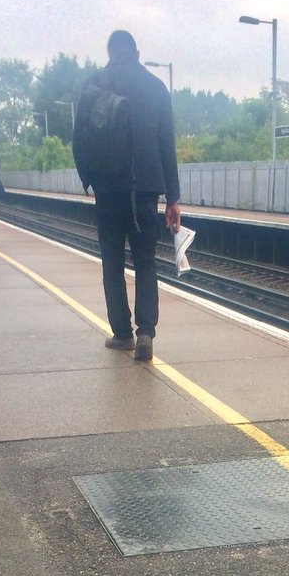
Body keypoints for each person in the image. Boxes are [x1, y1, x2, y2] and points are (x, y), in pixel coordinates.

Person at [73, 29, 180, 362]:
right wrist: (173, 198)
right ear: (136, 51)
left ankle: (122, 334)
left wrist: (90, 180)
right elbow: (167, 145)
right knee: (146, 262)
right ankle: (146, 332)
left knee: (113, 263)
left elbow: (78, 140)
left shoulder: (93, 84)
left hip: (108, 189)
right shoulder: (156, 87)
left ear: (109, 52)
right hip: (146, 189)